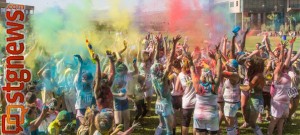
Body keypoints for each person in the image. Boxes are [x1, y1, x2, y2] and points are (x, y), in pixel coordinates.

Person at [187, 44, 222, 135]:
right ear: (211, 75)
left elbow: (192, 69)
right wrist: (218, 58)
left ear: (202, 75)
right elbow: (219, 72)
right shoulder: (214, 86)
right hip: (212, 116)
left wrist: (190, 59)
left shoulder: (197, 85)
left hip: (199, 115)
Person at [151, 34, 181, 135]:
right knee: (169, 129)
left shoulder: (154, 75)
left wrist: (158, 43)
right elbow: (170, 61)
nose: (161, 65)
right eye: (160, 66)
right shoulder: (163, 79)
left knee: (161, 125)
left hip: (158, 103)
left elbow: (156, 59)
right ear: (159, 69)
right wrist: (175, 43)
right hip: (166, 104)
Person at [268, 38, 295, 135]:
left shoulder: (286, 73)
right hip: (277, 102)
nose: (282, 63)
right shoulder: (277, 74)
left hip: (285, 102)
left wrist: (291, 45)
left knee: (281, 122)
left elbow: (287, 59)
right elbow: (282, 60)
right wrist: (282, 49)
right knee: (274, 121)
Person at [240, 56, 265, 135]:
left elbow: (247, 88)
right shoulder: (258, 74)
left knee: (252, 122)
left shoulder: (257, 76)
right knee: (249, 120)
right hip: (255, 99)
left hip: (257, 101)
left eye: (252, 64)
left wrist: (237, 85)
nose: (250, 65)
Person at [74, 55, 95, 128]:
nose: (89, 81)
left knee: (89, 129)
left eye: (90, 79)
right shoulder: (79, 86)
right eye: (87, 80)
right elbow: (79, 76)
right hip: (81, 110)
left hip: (88, 110)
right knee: (83, 128)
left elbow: (93, 71)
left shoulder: (90, 85)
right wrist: (81, 65)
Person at [175, 58, 195, 135]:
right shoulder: (195, 73)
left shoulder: (180, 75)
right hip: (196, 102)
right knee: (195, 124)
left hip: (186, 102)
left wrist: (183, 89)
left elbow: (176, 89)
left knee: (185, 123)